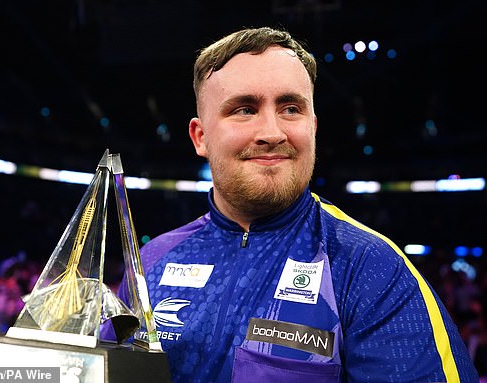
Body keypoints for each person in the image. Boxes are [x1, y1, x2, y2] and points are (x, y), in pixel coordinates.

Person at [112, 27, 479, 382]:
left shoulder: (373, 270)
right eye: (244, 109)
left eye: (290, 108)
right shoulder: (148, 264)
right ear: (201, 136)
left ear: (313, 127)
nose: (272, 133)